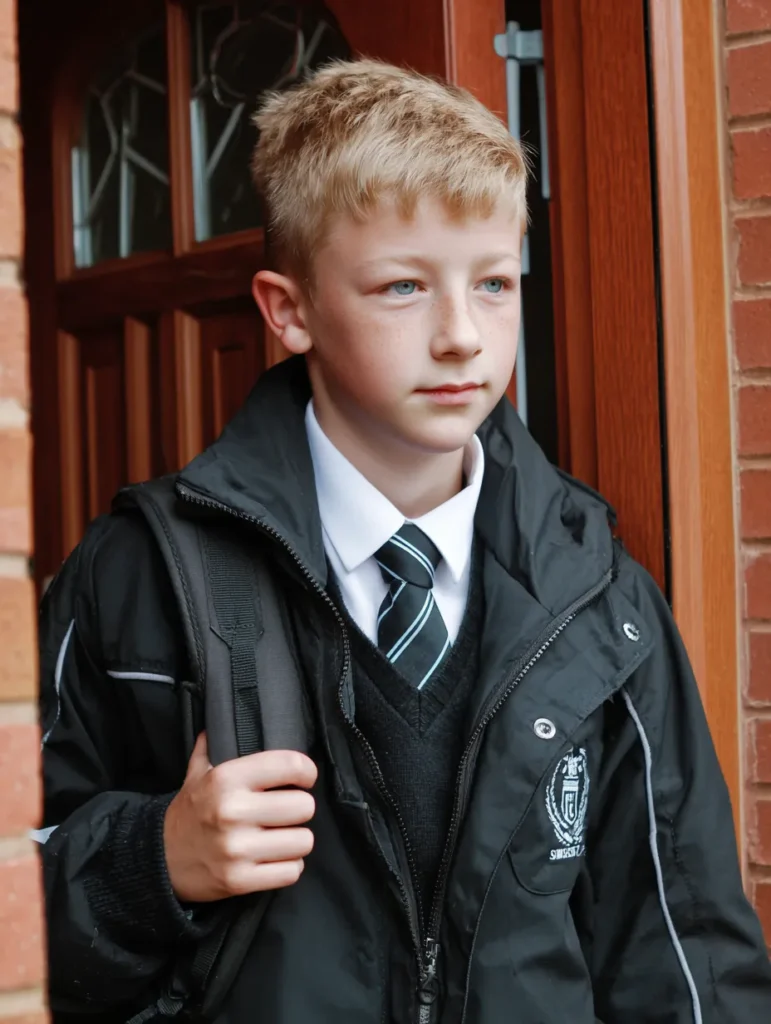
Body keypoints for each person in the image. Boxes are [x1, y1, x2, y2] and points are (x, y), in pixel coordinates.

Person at [38, 59, 771, 1024]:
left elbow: (683, 947)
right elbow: (26, 880)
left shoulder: (601, 598)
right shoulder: (139, 574)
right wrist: (155, 860)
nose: (463, 335)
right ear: (287, 310)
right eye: (401, 288)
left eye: (496, 283)